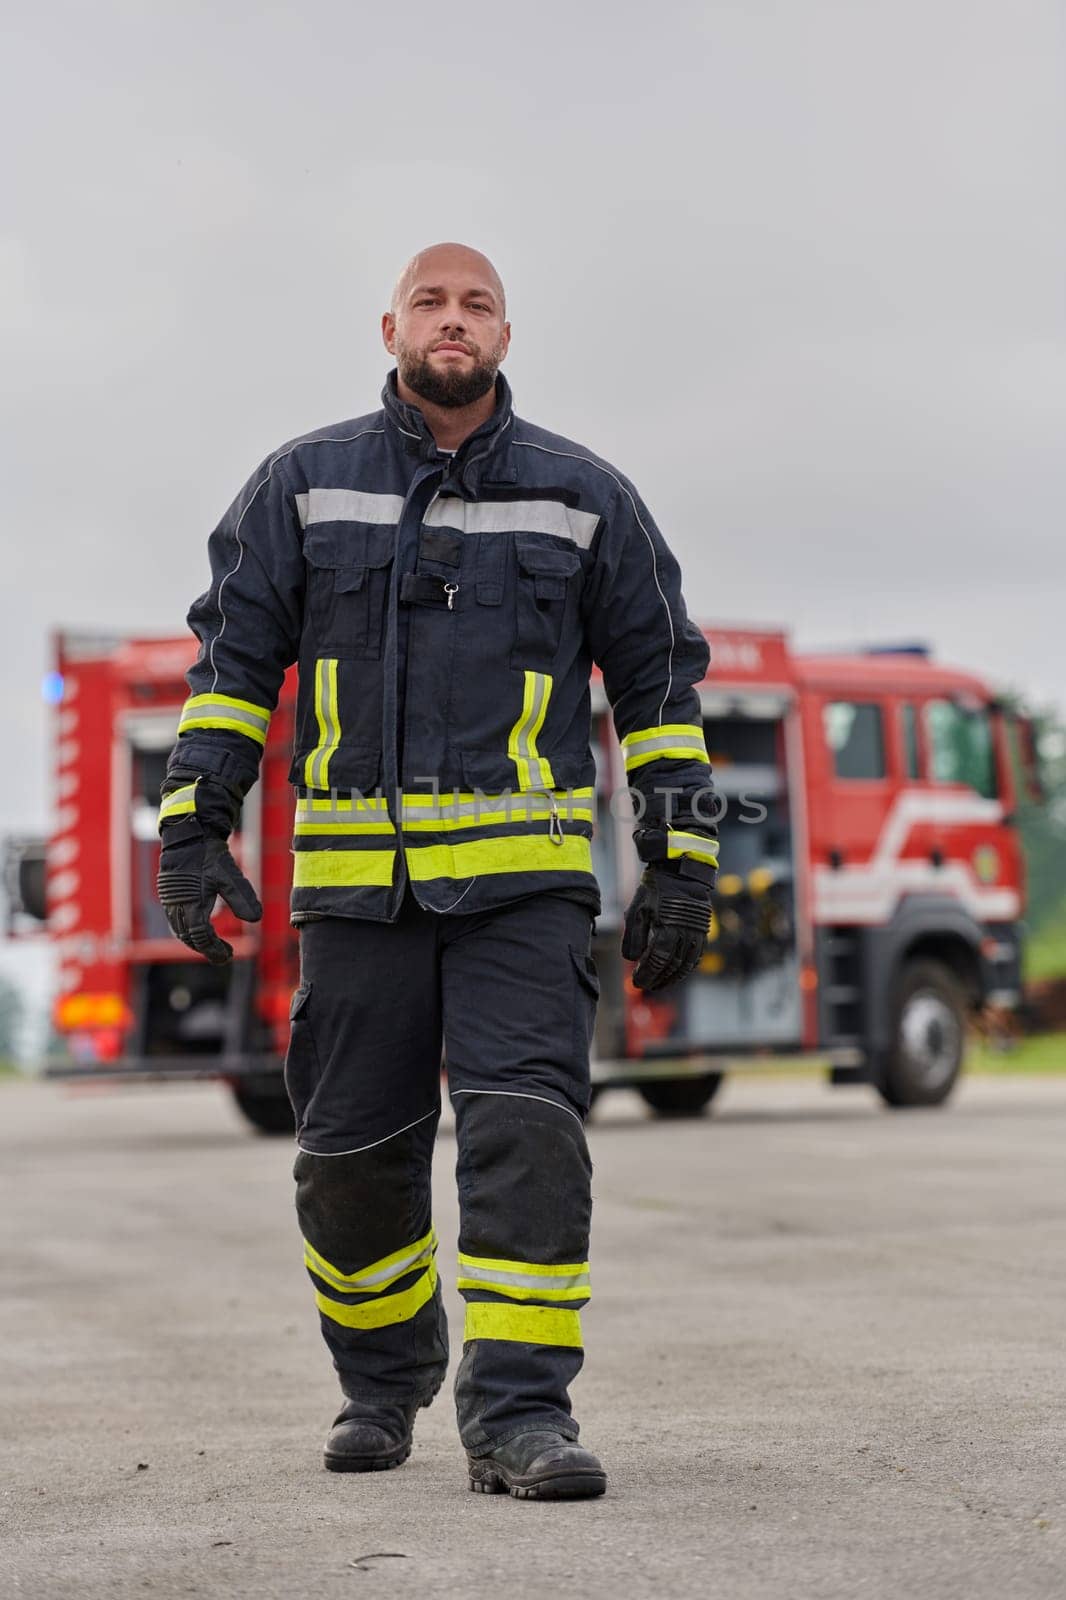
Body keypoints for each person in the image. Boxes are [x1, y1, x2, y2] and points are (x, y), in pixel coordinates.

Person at [156, 242, 719, 1501]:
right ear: (390, 327)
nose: (450, 321)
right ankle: (382, 1376)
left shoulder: (586, 497)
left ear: (505, 336)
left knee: (528, 1141)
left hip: (526, 898)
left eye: (475, 305)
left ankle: (520, 1414)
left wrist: (680, 855)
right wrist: (194, 826)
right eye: (430, 301)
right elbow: (232, 671)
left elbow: (663, 689)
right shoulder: (300, 487)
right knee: (349, 1162)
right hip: (359, 900)